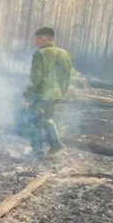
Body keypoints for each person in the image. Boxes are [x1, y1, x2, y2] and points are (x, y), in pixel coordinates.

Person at [22, 26, 74, 160]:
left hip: (41, 94)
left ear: (48, 39)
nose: (36, 42)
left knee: (33, 121)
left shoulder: (40, 54)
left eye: (39, 38)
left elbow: (36, 78)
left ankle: (39, 151)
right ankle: (53, 146)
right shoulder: (63, 53)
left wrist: (27, 95)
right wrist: (63, 91)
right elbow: (67, 75)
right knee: (47, 119)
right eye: (36, 39)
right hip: (55, 93)